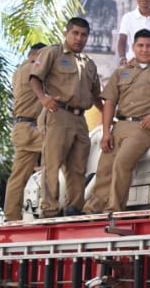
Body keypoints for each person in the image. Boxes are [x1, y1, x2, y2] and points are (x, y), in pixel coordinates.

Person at [83, 29, 150, 214]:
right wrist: (106, 132)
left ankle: (113, 211)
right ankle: (92, 210)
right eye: (140, 45)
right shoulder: (122, 72)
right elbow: (110, 102)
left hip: (143, 127)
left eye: (149, 46)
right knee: (104, 168)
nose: (145, 50)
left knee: (122, 163)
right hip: (119, 126)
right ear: (133, 47)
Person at [33, 17, 102, 218]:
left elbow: (97, 95)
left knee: (78, 167)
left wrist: (109, 118)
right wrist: (44, 99)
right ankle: (49, 208)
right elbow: (35, 79)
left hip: (80, 119)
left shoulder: (89, 64)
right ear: (67, 33)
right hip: (57, 113)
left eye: (84, 35)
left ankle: (74, 206)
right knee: (52, 164)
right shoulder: (52, 53)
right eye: (75, 33)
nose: (79, 38)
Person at [3, 42, 47, 222]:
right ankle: (48, 209)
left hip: (21, 127)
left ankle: (11, 217)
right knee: (62, 157)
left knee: (18, 177)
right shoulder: (35, 70)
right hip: (34, 128)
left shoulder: (18, 71)